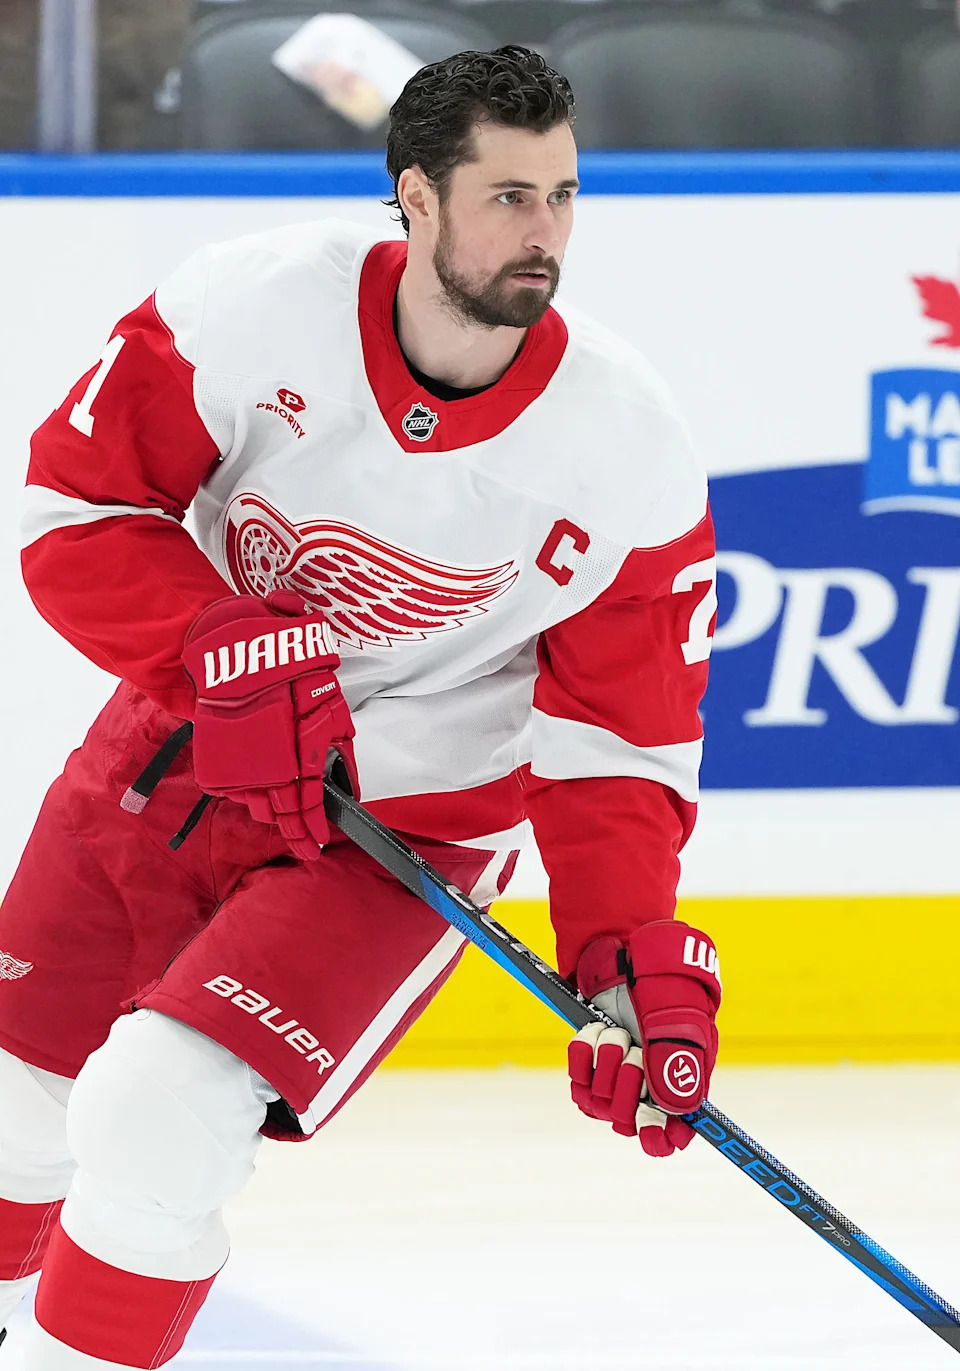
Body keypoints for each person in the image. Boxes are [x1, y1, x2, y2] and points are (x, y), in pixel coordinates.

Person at [0, 45, 721, 1370]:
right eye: (507, 196)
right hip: (177, 752)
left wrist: (625, 945)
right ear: (416, 199)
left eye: (561, 195)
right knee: (5, 1105)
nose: (543, 232)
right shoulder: (249, 308)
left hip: (397, 835)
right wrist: (212, 642)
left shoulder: (629, 450)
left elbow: (618, 739)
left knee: (162, 1115)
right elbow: (74, 510)